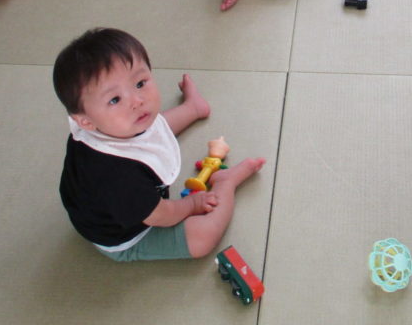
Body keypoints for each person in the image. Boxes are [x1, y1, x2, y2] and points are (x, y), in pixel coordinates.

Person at [53, 27, 266, 261]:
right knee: (201, 239)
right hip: (126, 235)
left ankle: (193, 108)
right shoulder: (117, 177)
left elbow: (153, 128)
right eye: (114, 99)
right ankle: (226, 183)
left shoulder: (110, 124)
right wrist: (191, 204)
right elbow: (161, 215)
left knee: (151, 126)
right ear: (85, 121)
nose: (137, 101)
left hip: (120, 195)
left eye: (140, 83)